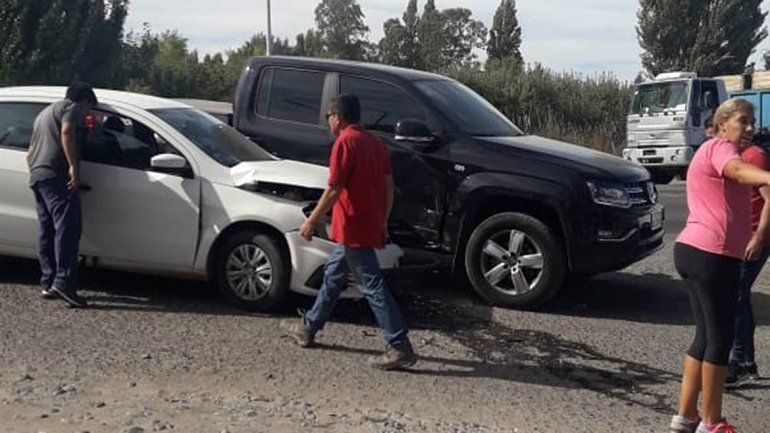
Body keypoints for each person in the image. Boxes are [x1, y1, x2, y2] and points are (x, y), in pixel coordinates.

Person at [284, 94, 417, 370]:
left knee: (371, 284)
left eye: (328, 117)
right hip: (366, 224)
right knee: (333, 275)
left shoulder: (345, 142)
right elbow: (388, 187)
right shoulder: (375, 143)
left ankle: (399, 344)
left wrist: (311, 222)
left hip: (353, 226)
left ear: (338, 117)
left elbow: (333, 189)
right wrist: (382, 222)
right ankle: (309, 327)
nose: (328, 122)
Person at [670, 98, 770, 433]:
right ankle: (711, 423)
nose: (750, 128)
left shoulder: (716, 150)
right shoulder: (719, 149)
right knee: (720, 341)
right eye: (743, 120)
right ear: (723, 123)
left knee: (704, 337)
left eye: (753, 122)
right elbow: (738, 171)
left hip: (694, 251)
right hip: (713, 255)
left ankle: (685, 417)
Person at [27, 82, 97, 308]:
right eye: (89, 108)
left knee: (46, 229)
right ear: (84, 100)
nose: (86, 114)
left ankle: (48, 282)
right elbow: (67, 131)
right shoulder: (71, 107)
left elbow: (30, 153)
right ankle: (64, 282)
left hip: (38, 174)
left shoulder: (44, 113)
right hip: (56, 175)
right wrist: (72, 166)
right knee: (68, 227)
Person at [724, 140, 770, 388]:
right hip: (740, 237)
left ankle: (737, 360)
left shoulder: (755, 156)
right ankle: (747, 363)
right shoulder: (732, 155)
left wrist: (759, 237)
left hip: (755, 239)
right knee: (740, 295)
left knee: (736, 294)